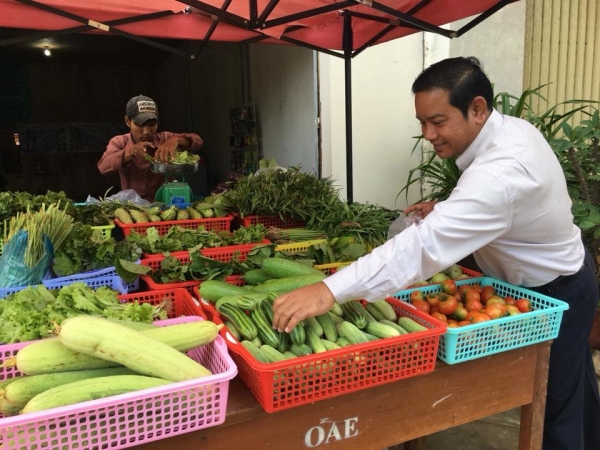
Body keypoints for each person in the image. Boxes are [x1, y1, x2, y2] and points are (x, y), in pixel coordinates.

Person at [272, 57, 600, 449]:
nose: (429, 134)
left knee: (556, 409)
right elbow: (498, 204)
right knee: (576, 388)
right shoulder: (509, 130)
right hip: (560, 272)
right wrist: (446, 208)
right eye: (422, 122)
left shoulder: (500, 173)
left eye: (438, 121)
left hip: (557, 288)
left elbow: (423, 246)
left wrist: (329, 290)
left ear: (477, 109)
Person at [97, 95, 203, 202]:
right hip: (133, 206)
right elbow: (103, 167)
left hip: (166, 203)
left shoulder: (165, 138)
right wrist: (130, 152)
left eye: (152, 125)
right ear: (127, 121)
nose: (146, 132)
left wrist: (177, 140)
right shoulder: (119, 142)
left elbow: (198, 141)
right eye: (140, 125)